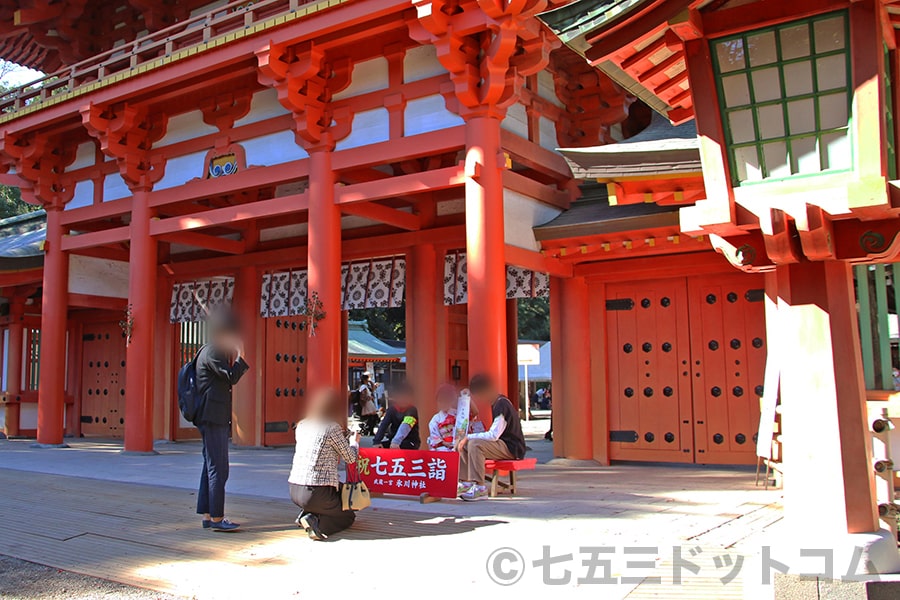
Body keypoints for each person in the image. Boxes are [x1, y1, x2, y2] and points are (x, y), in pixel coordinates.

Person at [195, 311, 249, 531]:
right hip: (213, 416)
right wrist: (241, 354)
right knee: (219, 468)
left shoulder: (207, 350)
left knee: (210, 466)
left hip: (210, 416)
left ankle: (208, 514)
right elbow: (231, 376)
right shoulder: (213, 352)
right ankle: (217, 517)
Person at [288, 388, 360, 541]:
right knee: (348, 516)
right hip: (317, 491)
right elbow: (350, 457)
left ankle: (308, 514)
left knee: (339, 491)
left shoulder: (302, 425)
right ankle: (317, 525)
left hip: (294, 488)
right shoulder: (331, 427)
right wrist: (355, 443)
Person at [456, 374, 526, 501]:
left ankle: (480, 487)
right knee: (464, 443)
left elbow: (493, 435)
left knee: (474, 444)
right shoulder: (496, 403)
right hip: (501, 444)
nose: (481, 399)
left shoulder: (502, 404)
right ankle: (465, 483)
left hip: (511, 447)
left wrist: (469, 437)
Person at [373, 382, 420, 449]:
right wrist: (377, 441)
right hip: (393, 441)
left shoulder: (412, 410)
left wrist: (396, 441)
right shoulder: (392, 409)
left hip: (410, 442)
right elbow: (384, 424)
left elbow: (406, 425)